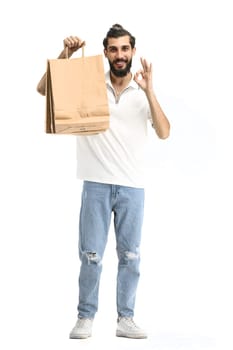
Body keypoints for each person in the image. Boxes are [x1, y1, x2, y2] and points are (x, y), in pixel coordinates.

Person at [37, 24, 170, 339]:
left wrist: (150, 89)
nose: (119, 55)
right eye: (113, 49)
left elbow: (164, 132)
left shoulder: (142, 93)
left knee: (131, 257)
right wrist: (65, 55)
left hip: (132, 188)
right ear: (106, 52)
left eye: (125, 49)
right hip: (95, 184)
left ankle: (126, 318)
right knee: (91, 256)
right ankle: (85, 316)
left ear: (132, 52)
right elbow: (44, 90)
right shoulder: (90, 85)